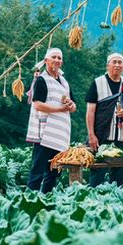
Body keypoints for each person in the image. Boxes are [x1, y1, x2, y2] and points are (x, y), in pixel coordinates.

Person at [25, 47, 77, 193]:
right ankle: (30, 200)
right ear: (46, 60)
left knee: (54, 173)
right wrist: (60, 109)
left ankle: (47, 200)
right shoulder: (42, 79)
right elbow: (38, 105)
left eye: (59, 58)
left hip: (59, 135)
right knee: (38, 172)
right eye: (54, 57)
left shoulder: (64, 82)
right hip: (45, 133)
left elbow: (73, 105)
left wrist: (71, 105)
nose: (57, 60)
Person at [85, 52, 123, 187]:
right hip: (102, 136)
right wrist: (91, 135)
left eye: (120, 62)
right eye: (114, 62)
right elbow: (90, 111)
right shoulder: (98, 83)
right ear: (107, 65)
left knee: (119, 178)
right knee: (97, 174)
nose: (117, 65)